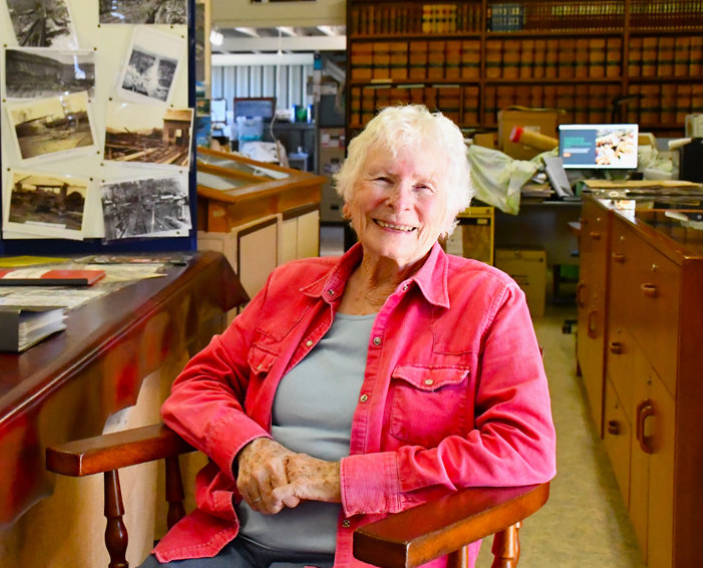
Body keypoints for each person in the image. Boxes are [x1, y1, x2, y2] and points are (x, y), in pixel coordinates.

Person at [141, 105, 557, 568]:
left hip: (379, 556)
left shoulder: (489, 302)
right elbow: (198, 384)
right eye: (381, 179)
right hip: (236, 541)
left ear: (451, 211)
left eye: (424, 188)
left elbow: (526, 449)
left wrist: (342, 479)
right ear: (348, 195)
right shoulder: (289, 286)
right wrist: (246, 447)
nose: (400, 203)